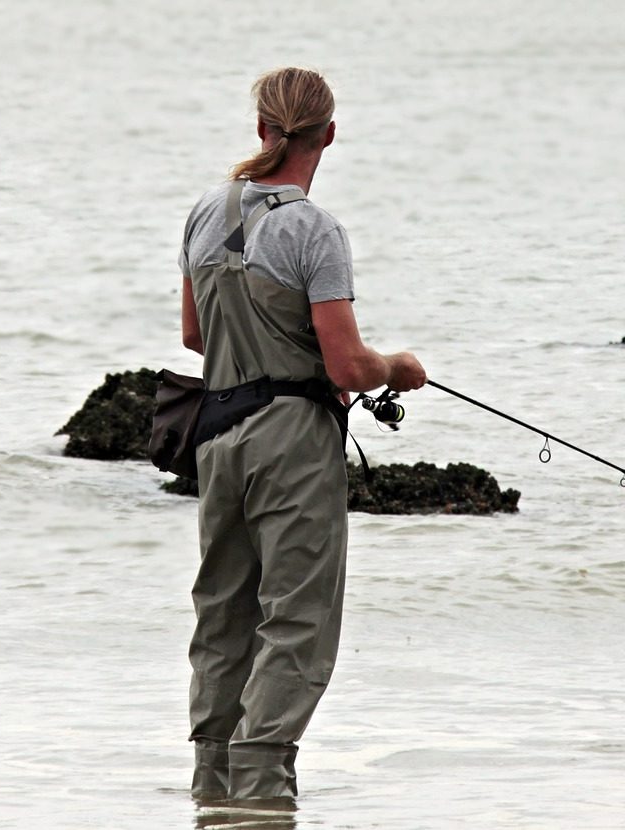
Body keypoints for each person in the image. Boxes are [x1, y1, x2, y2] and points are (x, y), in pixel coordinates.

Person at [178, 67, 426, 802]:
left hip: (216, 436)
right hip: (292, 441)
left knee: (223, 613)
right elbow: (349, 362)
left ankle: (211, 789)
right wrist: (400, 369)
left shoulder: (203, 212)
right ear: (330, 134)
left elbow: (196, 336)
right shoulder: (313, 229)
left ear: (262, 129)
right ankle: (260, 789)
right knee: (297, 619)